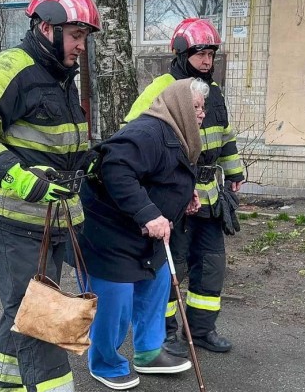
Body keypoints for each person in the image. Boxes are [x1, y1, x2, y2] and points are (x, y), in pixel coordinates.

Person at [0, 0, 101, 391]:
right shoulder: (12, 69)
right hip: (19, 216)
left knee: (21, 314)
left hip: (52, 219)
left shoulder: (60, 76)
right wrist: (22, 179)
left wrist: (90, 162)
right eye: (76, 36)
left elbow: (58, 143)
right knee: (40, 317)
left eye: (84, 38)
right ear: (48, 28)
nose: (82, 46)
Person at [77, 77, 209, 391]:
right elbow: (115, 168)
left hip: (144, 235)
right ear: (178, 107)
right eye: (195, 107)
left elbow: (162, 175)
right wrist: (149, 213)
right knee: (115, 300)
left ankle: (149, 353)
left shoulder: (175, 133)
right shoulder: (147, 132)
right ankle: (105, 363)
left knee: (156, 285)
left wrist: (184, 197)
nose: (202, 114)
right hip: (110, 233)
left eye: (203, 108)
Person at [123, 18, 245, 357]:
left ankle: (203, 329)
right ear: (181, 54)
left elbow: (227, 136)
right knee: (169, 266)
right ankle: (163, 336)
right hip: (173, 194)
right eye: (199, 54)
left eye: (210, 54)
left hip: (209, 194)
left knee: (210, 263)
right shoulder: (164, 85)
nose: (206, 61)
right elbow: (134, 130)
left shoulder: (214, 92)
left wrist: (235, 173)